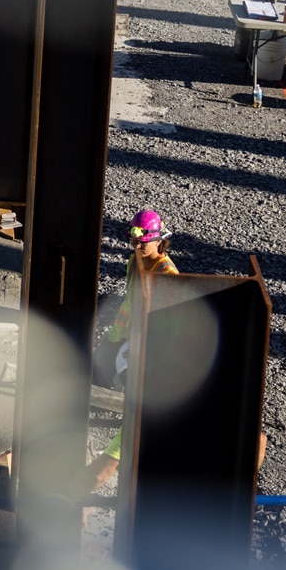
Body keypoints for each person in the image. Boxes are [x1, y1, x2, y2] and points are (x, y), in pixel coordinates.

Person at [86, 210, 179, 490]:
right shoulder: (134, 261)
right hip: (121, 333)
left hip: (141, 343)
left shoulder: (167, 274)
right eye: (134, 240)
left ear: (158, 241)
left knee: (134, 387)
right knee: (97, 373)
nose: (137, 246)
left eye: (142, 241)